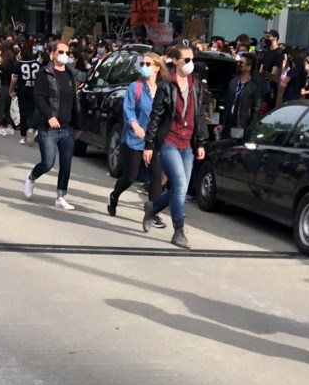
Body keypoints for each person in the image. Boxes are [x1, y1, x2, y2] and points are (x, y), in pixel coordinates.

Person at [142, 42, 207, 249]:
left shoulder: (196, 85)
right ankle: (178, 231)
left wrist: (200, 142)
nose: (190, 64)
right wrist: (149, 145)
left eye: (192, 60)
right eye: (186, 60)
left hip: (187, 144)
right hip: (169, 142)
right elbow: (155, 117)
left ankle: (152, 208)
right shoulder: (166, 86)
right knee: (179, 186)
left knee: (180, 188)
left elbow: (199, 116)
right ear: (176, 61)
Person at [108, 51, 166, 218]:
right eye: (142, 64)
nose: (144, 67)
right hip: (134, 139)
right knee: (129, 177)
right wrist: (134, 125)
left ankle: (152, 213)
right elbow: (128, 109)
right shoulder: (136, 87)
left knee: (156, 176)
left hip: (153, 140)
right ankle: (114, 196)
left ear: (157, 68)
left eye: (148, 64)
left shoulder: (163, 88)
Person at [24, 38, 79, 210]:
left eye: (67, 53)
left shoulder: (71, 74)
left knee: (66, 163)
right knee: (48, 163)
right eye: (60, 52)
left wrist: (78, 125)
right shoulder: (44, 73)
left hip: (67, 127)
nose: (64, 55)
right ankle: (32, 177)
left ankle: (61, 196)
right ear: (52, 54)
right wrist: (49, 116)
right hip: (49, 128)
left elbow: (74, 101)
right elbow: (38, 97)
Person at [222, 52, 262, 136]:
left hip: (242, 124)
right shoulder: (233, 81)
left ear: (249, 67)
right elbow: (227, 102)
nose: (239, 64)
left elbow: (256, 109)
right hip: (229, 121)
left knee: (236, 146)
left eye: (241, 63)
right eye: (238, 62)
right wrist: (222, 123)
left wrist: (250, 127)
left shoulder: (254, 86)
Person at [11, 39, 40, 145]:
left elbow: (14, 80)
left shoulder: (19, 64)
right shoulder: (37, 63)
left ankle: (24, 135)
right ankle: (32, 128)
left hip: (22, 90)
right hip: (35, 90)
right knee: (33, 112)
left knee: (23, 112)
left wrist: (11, 90)